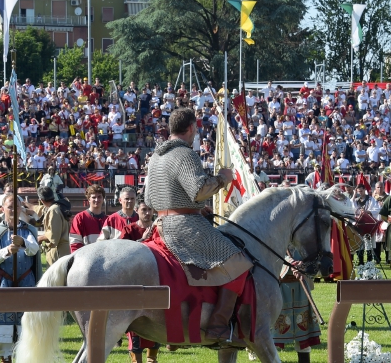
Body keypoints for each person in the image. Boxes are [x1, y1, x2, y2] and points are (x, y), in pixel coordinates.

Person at [144, 109, 253, 346]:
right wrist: (223, 178)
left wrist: (193, 206)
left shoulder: (156, 156)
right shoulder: (185, 154)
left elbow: (148, 199)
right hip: (183, 226)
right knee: (238, 261)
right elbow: (199, 190)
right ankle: (217, 327)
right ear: (192, 127)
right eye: (196, 129)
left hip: (159, 225)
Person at [0, 195, 42, 363]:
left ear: (21, 209)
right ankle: (6, 357)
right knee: (4, 322)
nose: (13, 210)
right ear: (3, 208)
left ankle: (25, 356)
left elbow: (34, 250)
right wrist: (7, 250)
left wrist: (23, 243)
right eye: (10, 206)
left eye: (16, 206)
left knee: (26, 322)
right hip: (4, 281)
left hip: (26, 280)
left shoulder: (29, 230)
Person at [121, 198, 161, 363]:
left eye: (150, 210)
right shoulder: (129, 229)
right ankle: (136, 360)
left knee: (157, 318)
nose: (147, 213)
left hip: (156, 280)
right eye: (144, 209)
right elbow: (121, 253)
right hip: (135, 282)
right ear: (137, 210)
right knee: (136, 322)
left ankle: (153, 358)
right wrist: (141, 240)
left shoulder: (159, 229)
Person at [270, 251, 321, 363]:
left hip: (301, 286)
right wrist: (291, 262)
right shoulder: (279, 234)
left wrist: (303, 266)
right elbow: (275, 251)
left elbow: (314, 254)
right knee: (275, 328)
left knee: (303, 329)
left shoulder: (304, 235)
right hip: (281, 286)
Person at [32, 186, 70, 266]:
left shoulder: (53, 210)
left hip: (58, 252)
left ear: (41, 200)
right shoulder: (56, 206)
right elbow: (38, 209)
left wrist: (40, 238)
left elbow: (53, 236)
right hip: (61, 251)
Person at [69, 184, 107, 252]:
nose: (97, 199)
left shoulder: (108, 220)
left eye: (99, 197)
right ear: (89, 199)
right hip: (86, 259)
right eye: (94, 197)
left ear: (103, 198)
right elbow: (75, 242)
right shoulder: (80, 218)